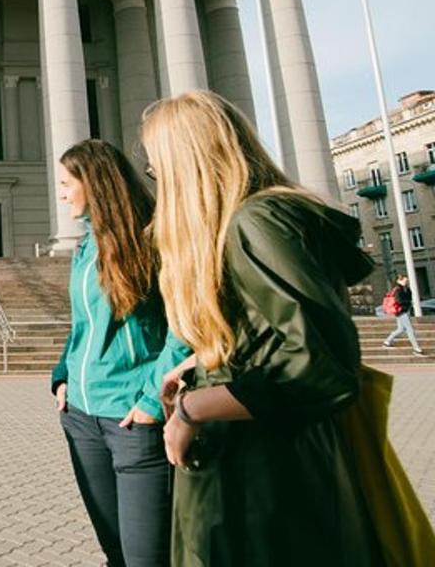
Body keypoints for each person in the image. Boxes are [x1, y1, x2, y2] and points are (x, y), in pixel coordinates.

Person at [141, 90, 379, 565]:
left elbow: (320, 366)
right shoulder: (246, 223)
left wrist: (193, 408)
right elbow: (270, 333)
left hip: (267, 480)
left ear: (188, 163)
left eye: (156, 167)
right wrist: (200, 361)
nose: (156, 182)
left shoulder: (258, 221)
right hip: (248, 468)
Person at [51, 140, 191, 567]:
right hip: (81, 417)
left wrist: (152, 400)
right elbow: (82, 326)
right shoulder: (85, 246)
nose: (61, 193)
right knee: (116, 553)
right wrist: (61, 376)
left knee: (147, 557)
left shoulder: (153, 240)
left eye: (66, 183)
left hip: (134, 420)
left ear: (94, 183)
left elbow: (183, 327)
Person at [382, 274, 424, 354]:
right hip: (401, 311)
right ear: (399, 281)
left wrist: (409, 298)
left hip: (403, 310)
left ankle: (387, 341)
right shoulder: (398, 289)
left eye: (407, 281)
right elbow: (399, 300)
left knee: (400, 329)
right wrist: (408, 302)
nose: (406, 282)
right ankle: (416, 348)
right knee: (410, 329)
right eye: (405, 280)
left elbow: (409, 297)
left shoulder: (406, 289)